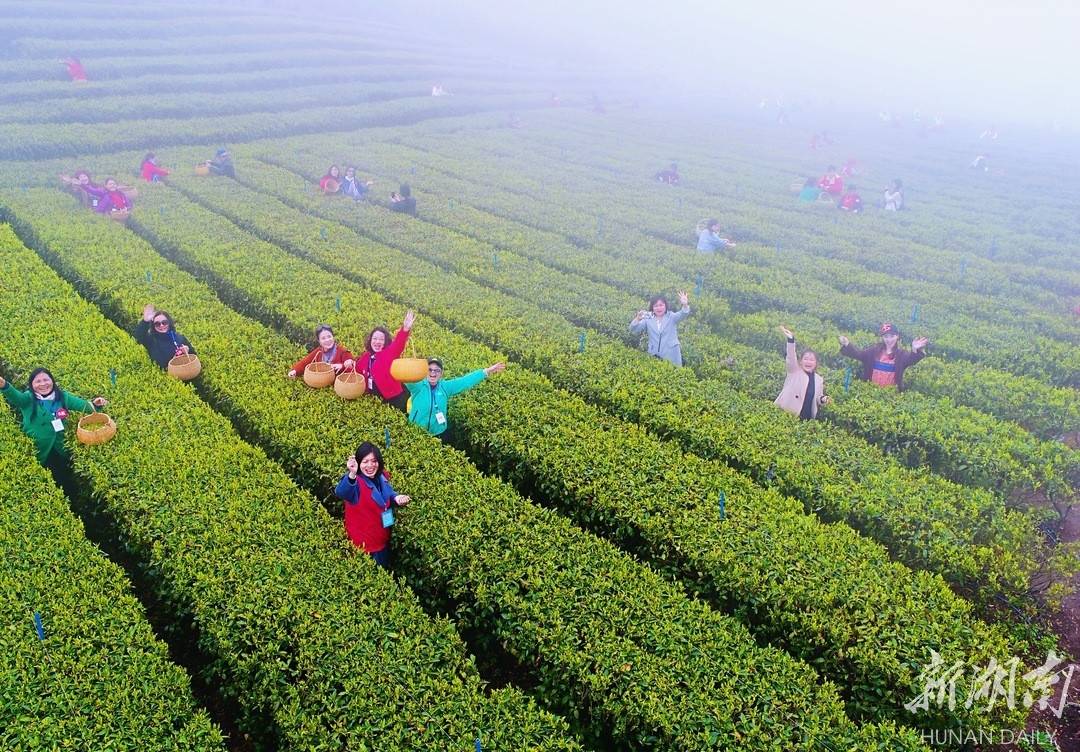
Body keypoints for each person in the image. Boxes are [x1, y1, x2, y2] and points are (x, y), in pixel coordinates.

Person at [0, 369, 107, 490]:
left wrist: (96, 403)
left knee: (64, 478)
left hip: (60, 446)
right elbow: (15, 397)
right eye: (38, 381)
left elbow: (83, 405)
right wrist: (4, 385)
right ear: (32, 385)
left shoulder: (62, 397)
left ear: (52, 381)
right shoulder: (28, 399)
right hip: (39, 448)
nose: (43, 384)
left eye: (46, 379)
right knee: (45, 482)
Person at [335, 443, 410, 568]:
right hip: (365, 545)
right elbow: (342, 492)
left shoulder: (381, 476)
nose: (370, 465)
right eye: (365, 462)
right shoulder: (356, 483)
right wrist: (352, 473)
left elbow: (388, 493)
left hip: (382, 536)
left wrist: (397, 498)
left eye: (374, 461)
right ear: (359, 463)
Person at [405, 359, 505, 441]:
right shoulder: (418, 386)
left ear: (441, 373)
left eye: (437, 370)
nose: (433, 373)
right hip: (417, 430)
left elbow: (465, 381)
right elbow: (405, 377)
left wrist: (486, 371)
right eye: (429, 369)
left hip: (438, 432)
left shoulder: (445, 387)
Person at [839, 322, 929, 391]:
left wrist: (915, 349)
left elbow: (911, 360)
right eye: (886, 336)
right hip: (870, 391)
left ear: (897, 336)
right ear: (882, 337)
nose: (889, 340)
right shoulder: (873, 351)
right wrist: (847, 344)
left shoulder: (901, 354)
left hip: (891, 396)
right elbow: (859, 354)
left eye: (892, 336)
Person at [358, 310, 415, 412]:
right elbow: (356, 368)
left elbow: (399, 343)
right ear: (370, 340)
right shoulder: (366, 356)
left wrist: (405, 329)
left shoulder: (389, 353)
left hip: (395, 398)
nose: (377, 342)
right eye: (374, 338)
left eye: (381, 339)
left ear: (385, 342)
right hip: (376, 397)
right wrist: (344, 364)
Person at [774, 326, 829, 420]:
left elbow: (818, 397)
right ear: (801, 361)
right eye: (806, 359)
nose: (808, 362)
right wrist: (791, 340)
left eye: (811, 360)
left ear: (816, 363)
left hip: (805, 418)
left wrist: (823, 399)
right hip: (786, 415)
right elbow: (791, 357)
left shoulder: (818, 379)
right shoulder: (794, 371)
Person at [629, 291, 691, 366]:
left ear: (665, 306)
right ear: (652, 308)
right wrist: (637, 319)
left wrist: (685, 304)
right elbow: (634, 330)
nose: (659, 308)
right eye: (656, 306)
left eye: (661, 305)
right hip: (654, 354)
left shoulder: (671, 316)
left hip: (671, 354)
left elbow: (683, 314)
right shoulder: (648, 318)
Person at [135, 304, 196, 370]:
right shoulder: (151, 340)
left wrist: (187, 350)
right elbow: (138, 337)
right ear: (154, 326)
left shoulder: (180, 338)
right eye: (157, 324)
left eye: (164, 322)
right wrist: (145, 321)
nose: (161, 325)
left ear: (169, 323)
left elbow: (194, 356)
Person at [287, 324, 355, 379]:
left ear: (333, 337)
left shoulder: (343, 351)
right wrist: (295, 371)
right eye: (323, 338)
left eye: (329, 336)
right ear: (319, 341)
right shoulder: (318, 351)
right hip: (321, 382)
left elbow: (352, 365)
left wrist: (342, 365)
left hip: (337, 386)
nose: (327, 340)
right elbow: (305, 362)